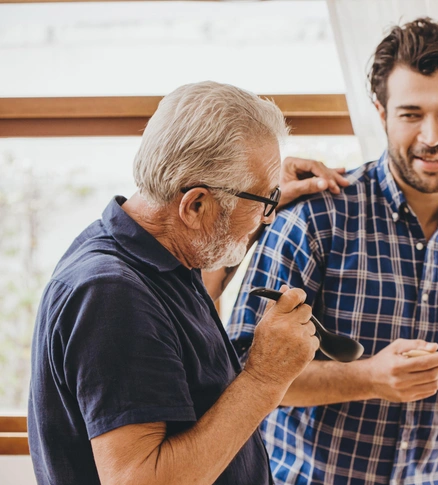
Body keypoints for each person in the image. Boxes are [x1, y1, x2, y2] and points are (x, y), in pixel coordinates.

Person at [228, 18, 438, 484]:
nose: (432, 136)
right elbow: (242, 370)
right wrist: (368, 376)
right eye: (411, 114)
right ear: (381, 112)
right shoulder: (315, 220)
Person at [28, 81, 349, 485]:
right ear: (196, 205)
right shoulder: (111, 296)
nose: (268, 218)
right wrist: (265, 379)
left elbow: (178, 331)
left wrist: (259, 197)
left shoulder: (158, 255)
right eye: (265, 204)